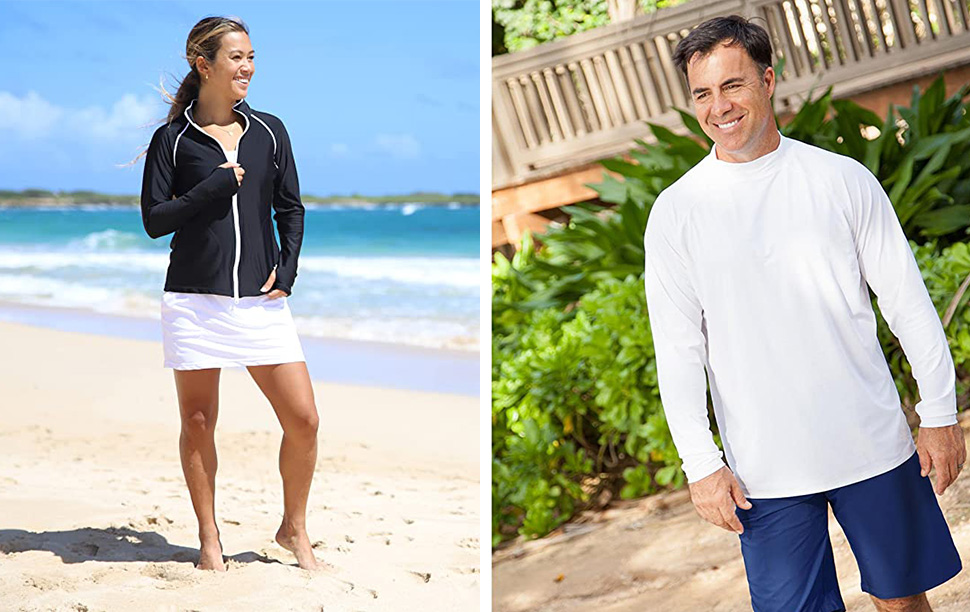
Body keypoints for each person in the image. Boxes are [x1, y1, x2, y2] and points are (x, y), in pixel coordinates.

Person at [642, 15, 965, 612]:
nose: (719, 107)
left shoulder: (841, 180)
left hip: (871, 444)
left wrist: (940, 411)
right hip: (762, 472)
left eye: (733, 85)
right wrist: (700, 463)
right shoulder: (676, 212)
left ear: (768, 81)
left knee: (902, 601)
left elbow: (906, 302)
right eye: (703, 93)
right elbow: (679, 348)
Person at [139, 16, 321, 571]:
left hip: (262, 304)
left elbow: (289, 207)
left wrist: (286, 270)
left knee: (304, 420)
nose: (247, 67)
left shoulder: (269, 131)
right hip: (194, 299)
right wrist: (213, 186)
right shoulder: (172, 140)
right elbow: (154, 219)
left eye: (250, 56)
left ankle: (293, 528)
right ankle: (210, 540)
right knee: (198, 421)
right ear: (205, 64)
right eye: (236, 57)